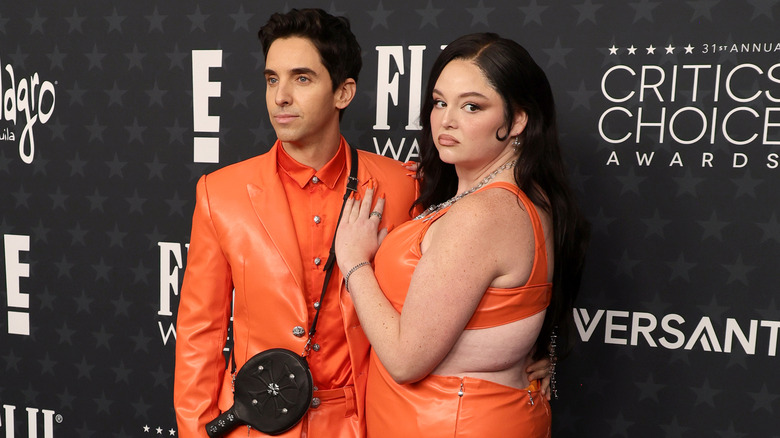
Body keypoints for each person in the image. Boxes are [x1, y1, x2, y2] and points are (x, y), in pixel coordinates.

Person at [172, 9, 419, 438]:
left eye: (301, 78)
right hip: (257, 425)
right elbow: (200, 333)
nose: (280, 96)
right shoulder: (220, 193)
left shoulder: (402, 187)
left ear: (343, 92)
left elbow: (433, 310)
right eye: (272, 79)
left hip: (365, 423)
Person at [334, 32, 589, 437]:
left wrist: (355, 262)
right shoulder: (523, 195)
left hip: (448, 423)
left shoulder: (484, 213)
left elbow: (405, 360)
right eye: (439, 102)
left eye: (472, 106)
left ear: (518, 119)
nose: (447, 120)